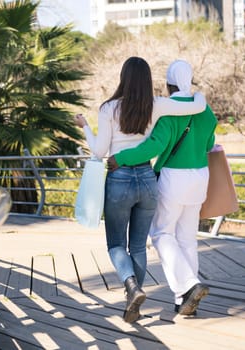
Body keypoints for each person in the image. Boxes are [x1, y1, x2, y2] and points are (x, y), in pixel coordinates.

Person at [73, 56, 207, 323]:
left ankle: (131, 286)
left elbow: (99, 152)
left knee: (115, 244)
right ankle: (132, 298)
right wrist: (199, 94)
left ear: (123, 78)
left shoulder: (109, 108)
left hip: (119, 179)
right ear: (147, 80)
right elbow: (194, 107)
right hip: (147, 178)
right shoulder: (156, 104)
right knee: (138, 246)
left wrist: (84, 126)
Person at [107, 59, 218, 316]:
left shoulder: (169, 110)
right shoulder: (205, 109)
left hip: (173, 178)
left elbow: (154, 146)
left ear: (168, 85)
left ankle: (189, 284)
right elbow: (209, 142)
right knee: (188, 238)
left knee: (161, 234)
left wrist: (122, 158)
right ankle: (184, 300)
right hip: (200, 176)